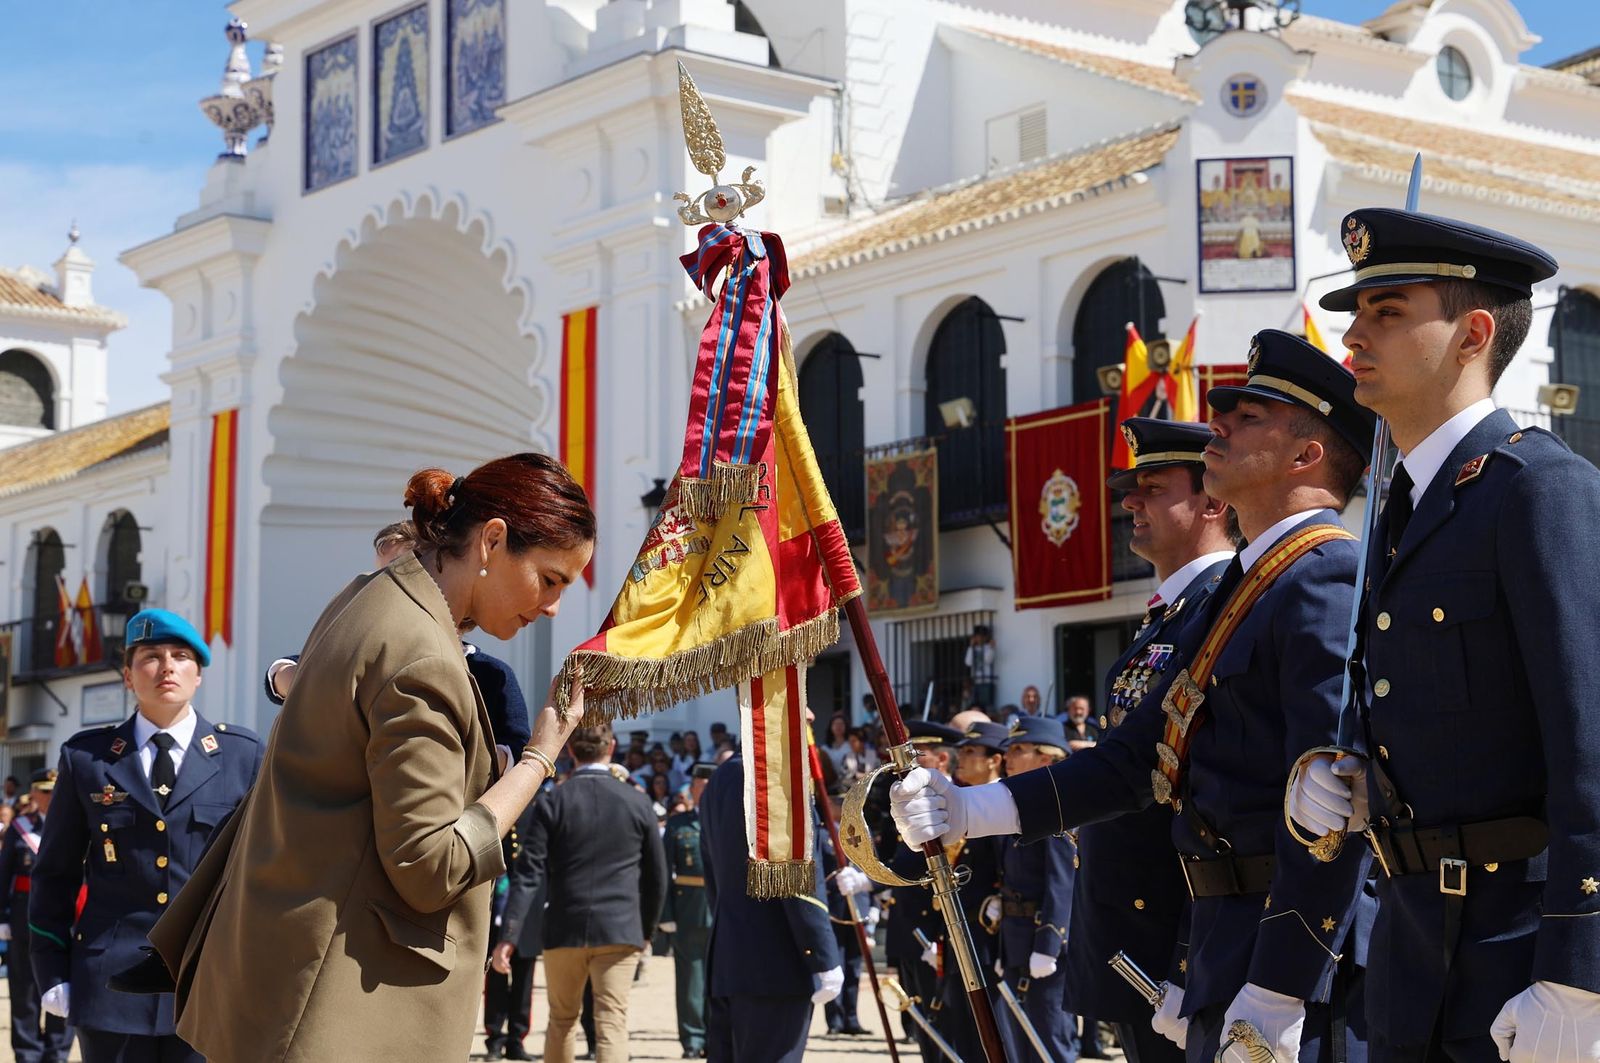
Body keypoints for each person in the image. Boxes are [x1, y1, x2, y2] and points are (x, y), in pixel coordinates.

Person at [891, 333, 1378, 1062]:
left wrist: (1283, 983)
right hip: (1222, 946)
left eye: (1249, 417)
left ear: (1307, 456)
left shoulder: (1324, 575)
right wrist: (972, 808)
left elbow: (1332, 818)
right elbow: (1130, 766)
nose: (1219, 423)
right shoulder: (1244, 591)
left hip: (1296, 968)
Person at [143, 454, 594, 1060]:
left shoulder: (369, 598)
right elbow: (430, 865)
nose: (553, 606)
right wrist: (539, 756)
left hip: (281, 980)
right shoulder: (424, 655)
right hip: (338, 1010)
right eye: (550, 578)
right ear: (492, 541)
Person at [1287, 210, 1600, 1059]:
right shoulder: (1403, 508)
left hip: (1517, 950)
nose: (1354, 331)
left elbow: (1591, 745)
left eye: (1388, 310)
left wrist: (1580, 971)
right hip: (1413, 948)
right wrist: (1353, 777)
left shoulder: (1538, 490)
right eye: (1359, 310)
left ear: (1474, 333)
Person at [1069, 417, 1236, 1063]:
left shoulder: (1220, 609)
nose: (1130, 501)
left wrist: (1189, 960)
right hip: (1138, 940)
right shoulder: (1174, 613)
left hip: (1177, 938)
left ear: (1214, 501)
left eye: (1153, 486)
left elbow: (1215, 801)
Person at [29, 609, 262, 1063]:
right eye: (151, 657)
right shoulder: (87, 758)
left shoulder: (242, 755)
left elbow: (265, 873)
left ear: (199, 676)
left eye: (181, 656)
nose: (167, 666)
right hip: (110, 984)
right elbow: (54, 874)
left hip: (208, 981)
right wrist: (51, 970)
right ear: (128, 677)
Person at [266, 520, 533, 758]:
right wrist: (300, 680)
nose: (384, 586)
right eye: (380, 575)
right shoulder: (366, 650)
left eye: (398, 573)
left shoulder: (491, 674)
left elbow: (515, 751)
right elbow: (282, 671)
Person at [497, 721, 667, 1063]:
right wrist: (646, 930)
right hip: (620, 927)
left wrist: (509, 934)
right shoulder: (637, 801)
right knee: (612, 1024)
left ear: (570, 751)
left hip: (565, 926)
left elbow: (529, 874)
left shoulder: (553, 801)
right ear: (612, 748)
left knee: (561, 1021)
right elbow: (656, 877)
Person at [699, 755, 842, 1063]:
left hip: (730, 957)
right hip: (777, 963)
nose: (812, 716)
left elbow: (713, 875)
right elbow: (796, 879)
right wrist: (822, 955)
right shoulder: (776, 776)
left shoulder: (721, 776)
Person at [995, 716, 1079, 1063]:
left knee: (1049, 1040)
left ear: (1046, 758)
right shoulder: (1018, 807)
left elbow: (1062, 883)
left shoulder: (1056, 810)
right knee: (1018, 1042)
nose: (1008, 757)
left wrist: (1049, 942)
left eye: (1018, 749)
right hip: (1015, 939)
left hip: (1044, 945)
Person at [1, 770, 71, 1063]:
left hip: (65, 919)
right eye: (46, 792)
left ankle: (56, 1054)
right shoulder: (20, 829)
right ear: (34, 795)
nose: (52, 798)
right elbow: (3, 875)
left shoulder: (73, 825)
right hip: (23, 919)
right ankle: (28, 1055)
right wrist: (2, 918)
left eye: (57, 792)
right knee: (24, 992)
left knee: (64, 989)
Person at [485, 787, 550, 1061]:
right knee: (495, 978)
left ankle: (516, 1039)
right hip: (497, 901)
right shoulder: (495, 809)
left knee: (524, 977)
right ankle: (495, 1038)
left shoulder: (540, 811)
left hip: (529, 905)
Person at [661, 763, 716, 1058]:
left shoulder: (731, 821)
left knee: (720, 977)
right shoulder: (677, 825)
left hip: (721, 909)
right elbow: (663, 871)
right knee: (690, 979)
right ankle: (693, 1039)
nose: (704, 793)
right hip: (688, 908)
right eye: (699, 788)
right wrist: (665, 914)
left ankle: (716, 1036)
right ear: (692, 790)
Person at [964, 626, 997, 710]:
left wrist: (991, 648)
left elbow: (988, 660)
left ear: (986, 637)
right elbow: (968, 662)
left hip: (986, 681)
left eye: (982, 636)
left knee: (985, 707)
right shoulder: (972, 649)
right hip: (975, 681)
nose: (979, 638)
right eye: (977, 636)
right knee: (974, 706)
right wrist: (971, 647)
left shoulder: (988, 647)